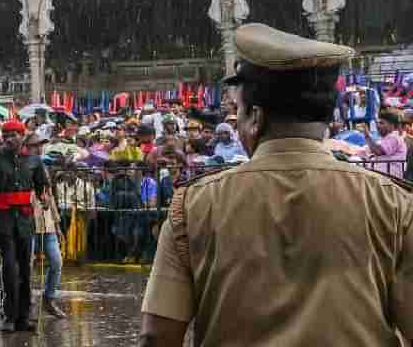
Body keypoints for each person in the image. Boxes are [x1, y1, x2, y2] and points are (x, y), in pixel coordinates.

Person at [140, 23, 413, 347]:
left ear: (255, 117)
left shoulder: (194, 206)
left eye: (238, 111)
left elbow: (158, 336)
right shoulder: (393, 204)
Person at [0, 120, 47, 333]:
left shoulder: (34, 161)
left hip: (24, 219)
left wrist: (44, 198)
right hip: (3, 218)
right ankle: (9, 315)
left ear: (22, 136)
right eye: (5, 136)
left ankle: (24, 316)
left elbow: (41, 187)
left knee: (25, 268)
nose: (9, 139)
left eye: (13, 135)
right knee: (9, 268)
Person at [25, 133, 65, 318]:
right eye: (35, 145)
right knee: (27, 264)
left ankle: (48, 298)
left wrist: (57, 225)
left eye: (40, 145)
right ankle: (26, 301)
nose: (38, 148)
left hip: (47, 223)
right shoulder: (22, 167)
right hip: (28, 222)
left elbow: (50, 197)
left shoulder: (44, 168)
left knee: (56, 262)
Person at [364, 110, 408, 179]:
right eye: (378, 123)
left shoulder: (393, 137)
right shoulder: (387, 137)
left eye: (382, 123)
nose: (378, 126)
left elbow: (378, 151)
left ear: (392, 125)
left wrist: (367, 136)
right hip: (382, 173)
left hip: (389, 175)